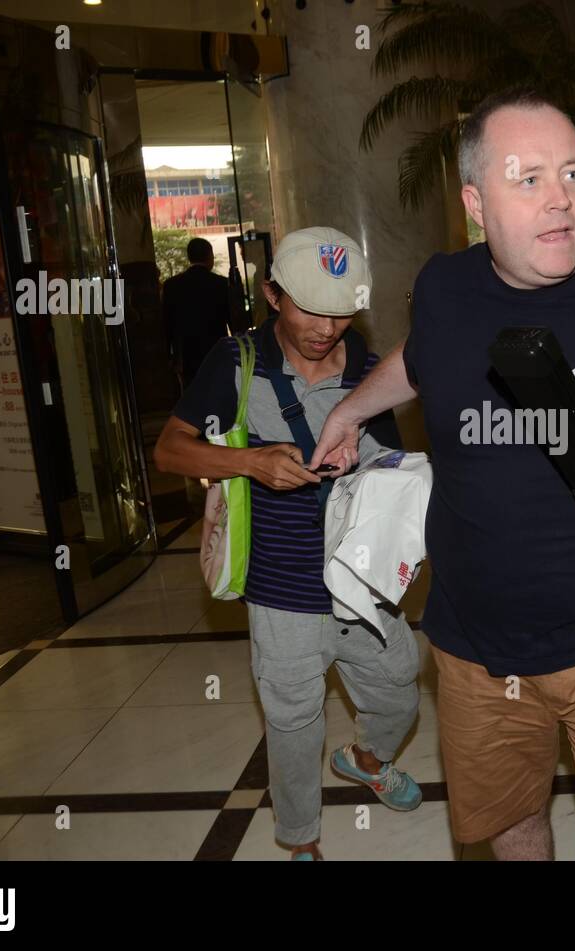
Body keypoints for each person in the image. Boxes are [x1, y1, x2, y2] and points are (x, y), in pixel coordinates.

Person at [312, 87, 575, 861]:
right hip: (477, 646)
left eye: (572, 174)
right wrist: (347, 411)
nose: (562, 200)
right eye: (528, 178)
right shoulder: (444, 285)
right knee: (508, 823)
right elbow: (420, 357)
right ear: (475, 201)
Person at [152, 226, 423, 861]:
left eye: (340, 310)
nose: (326, 326)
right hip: (280, 587)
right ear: (273, 294)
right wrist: (250, 462)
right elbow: (169, 450)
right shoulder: (236, 363)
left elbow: (390, 462)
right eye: (309, 307)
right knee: (294, 722)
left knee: (400, 686)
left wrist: (371, 458)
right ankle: (301, 842)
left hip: (362, 580)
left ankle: (366, 758)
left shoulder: (367, 367)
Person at [162, 237, 232, 390]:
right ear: (210, 256)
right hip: (216, 350)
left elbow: (167, 324)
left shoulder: (172, 286)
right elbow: (233, 320)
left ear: (189, 257)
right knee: (218, 391)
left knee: (193, 395)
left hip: (187, 354)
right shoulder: (221, 284)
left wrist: (170, 355)